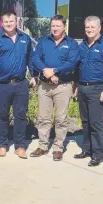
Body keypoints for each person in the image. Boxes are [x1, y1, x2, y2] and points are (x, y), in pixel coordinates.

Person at [29, 15, 80, 161]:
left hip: (62, 86)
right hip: (44, 86)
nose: (55, 28)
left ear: (64, 26)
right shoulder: (43, 42)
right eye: (53, 26)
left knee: (60, 119)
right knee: (43, 118)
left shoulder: (71, 44)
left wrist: (56, 71)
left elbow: (72, 63)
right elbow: (35, 59)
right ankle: (43, 146)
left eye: (58, 25)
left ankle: (58, 148)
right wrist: (47, 71)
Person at [0, 10, 35, 159]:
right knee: (2, 116)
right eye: (6, 22)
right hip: (2, 85)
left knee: (20, 116)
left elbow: (30, 59)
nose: (8, 24)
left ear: (17, 22)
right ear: (2, 23)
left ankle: (20, 146)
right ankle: (2, 145)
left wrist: (33, 75)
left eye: (11, 21)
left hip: (21, 84)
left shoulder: (25, 39)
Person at [73, 16, 103, 167]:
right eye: (87, 27)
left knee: (96, 122)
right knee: (85, 122)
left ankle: (98, 154)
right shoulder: (82, 45)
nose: (89, 30)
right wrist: (76, 85)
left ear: (99, 28)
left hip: (98, 88)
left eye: (92, 27)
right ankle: (86, 149)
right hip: (83, 87)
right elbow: (78, 67)